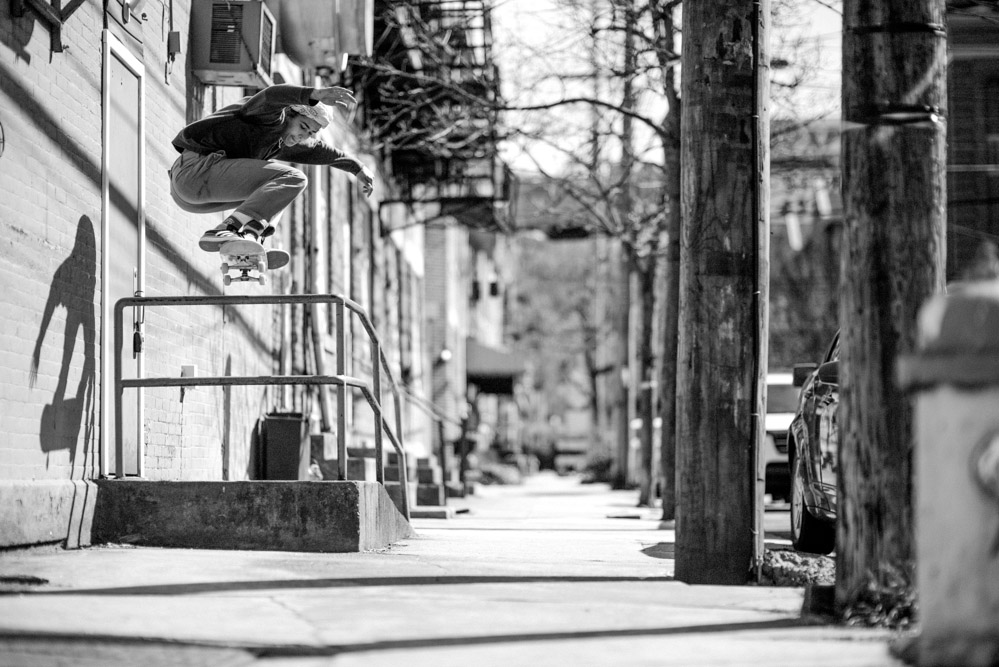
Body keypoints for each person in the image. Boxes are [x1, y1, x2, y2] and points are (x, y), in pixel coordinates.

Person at [169, 83, 374, 253]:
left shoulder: (282, 141)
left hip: (193, 195)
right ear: (290, 113)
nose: (304, 136)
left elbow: (317, 150)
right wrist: (312, 95)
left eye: (311, 132)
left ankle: (250, 236)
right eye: (303, 126)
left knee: (279, 192)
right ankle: (228, 228)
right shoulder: (269, 118)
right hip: (195, 171)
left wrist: (357, 167)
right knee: (294, 178)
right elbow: (270, 96)